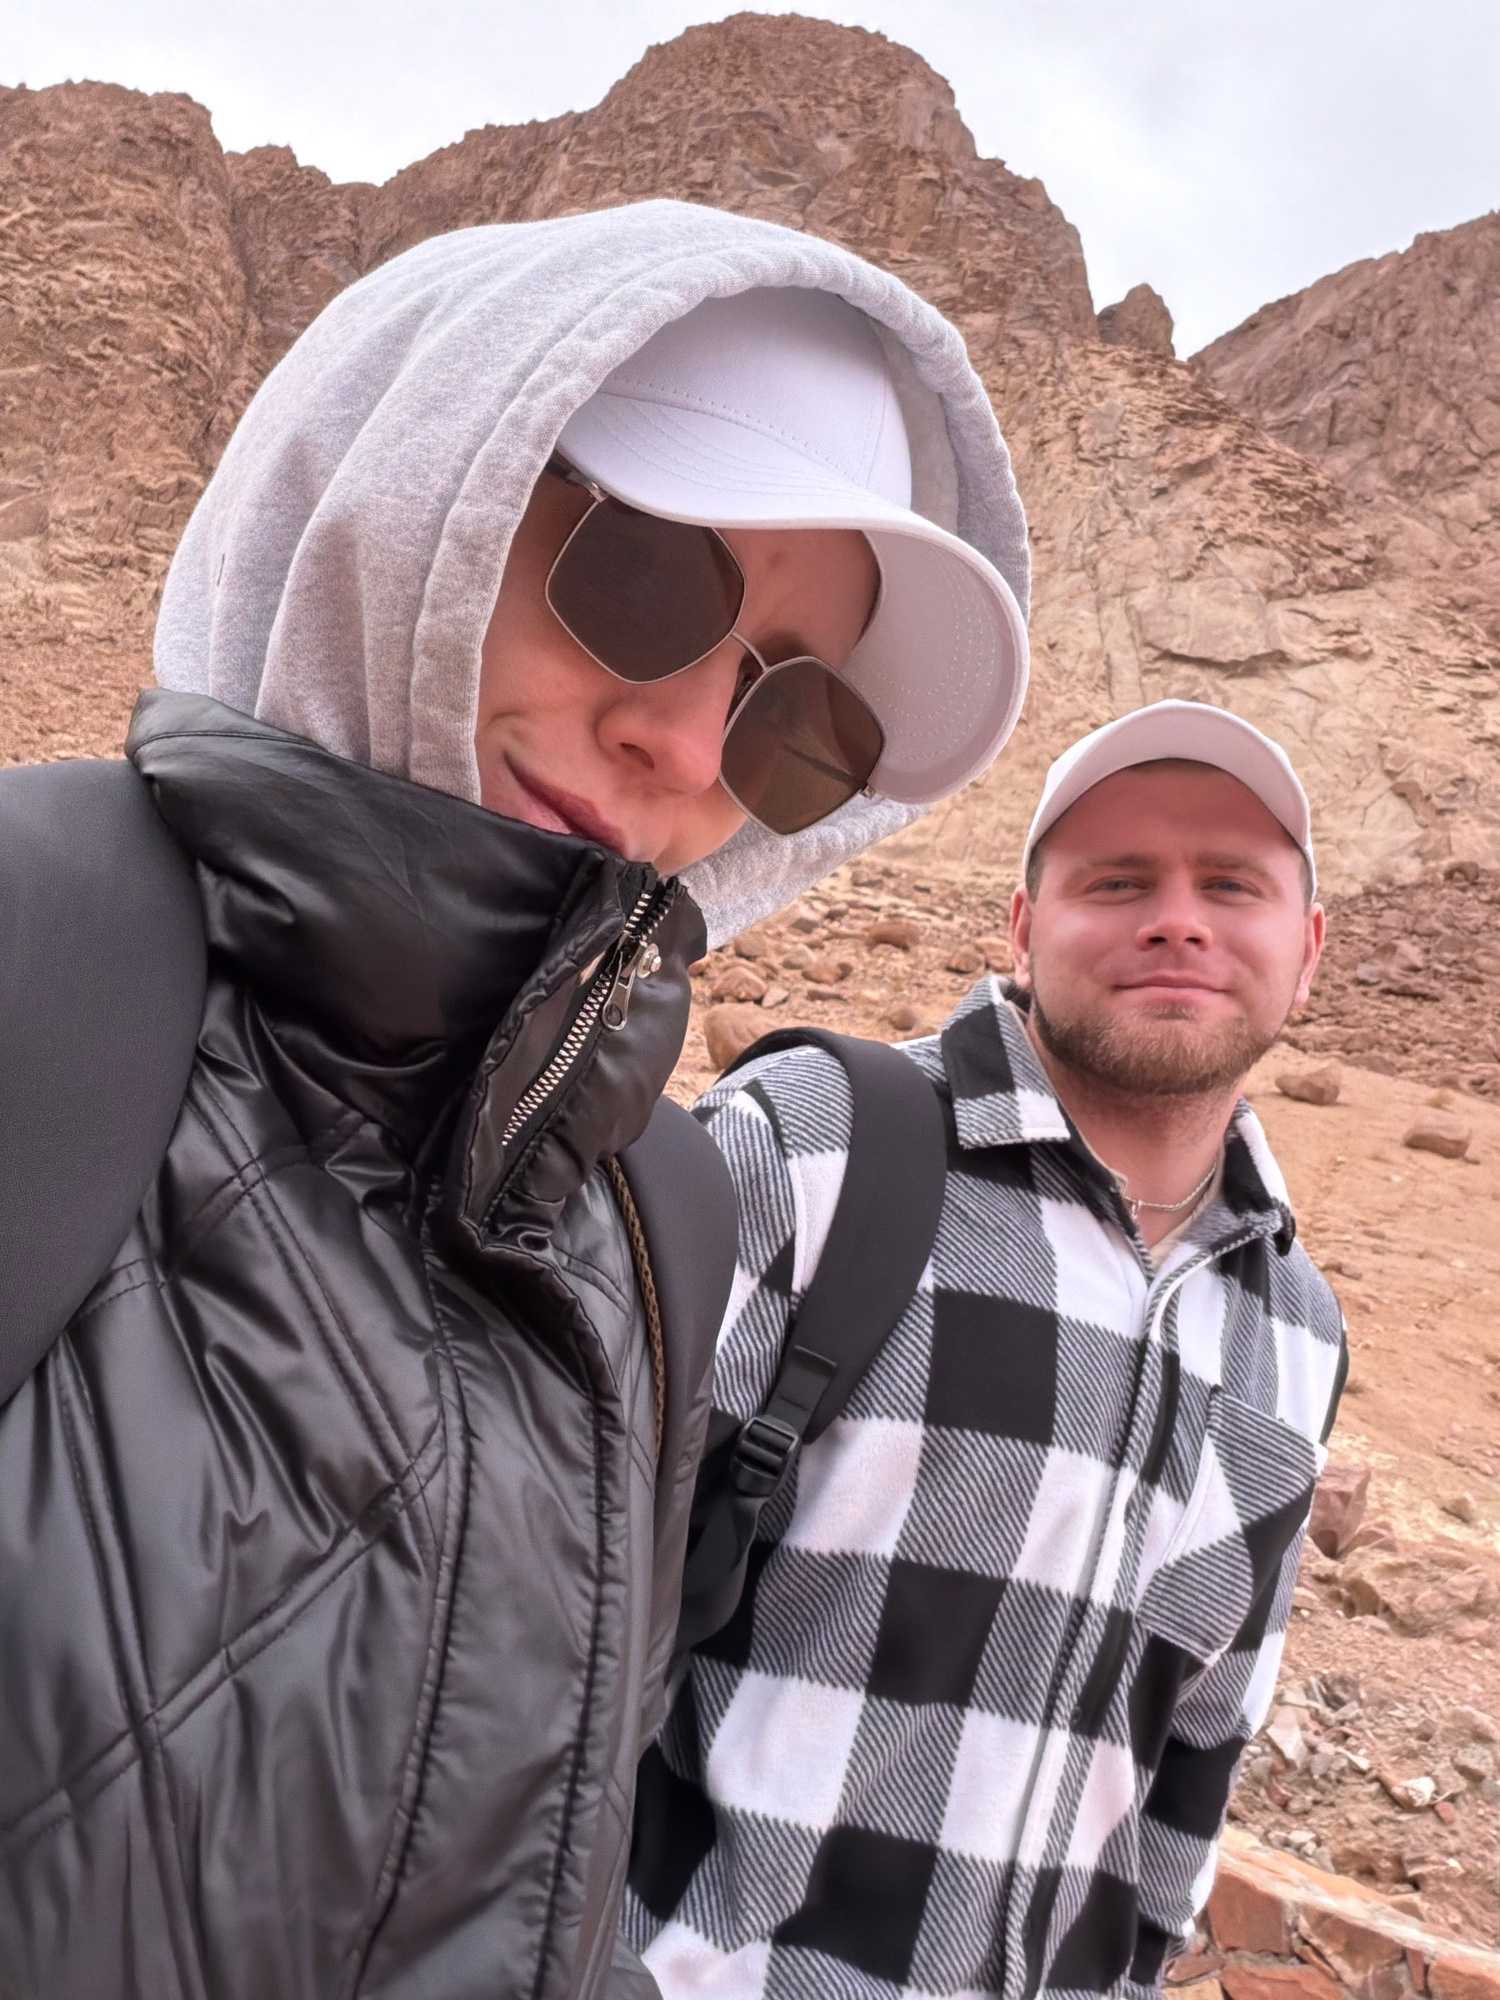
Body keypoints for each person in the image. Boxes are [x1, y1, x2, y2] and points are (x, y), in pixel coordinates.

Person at [0, 201, 1030, 1999]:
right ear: (415, 489)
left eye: (796, 723)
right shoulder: (34, 956)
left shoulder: (654, 1226)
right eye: (646, 580)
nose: (689, 747)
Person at [627, 701, 1346, 2000]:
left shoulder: (1295, 1326)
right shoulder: (818, 1147)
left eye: (1231, 885)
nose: (1176, 920)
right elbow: (555, 1598)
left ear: (1308, 953)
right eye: (1117, 881)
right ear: (1022, 929)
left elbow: (1197, 1744)